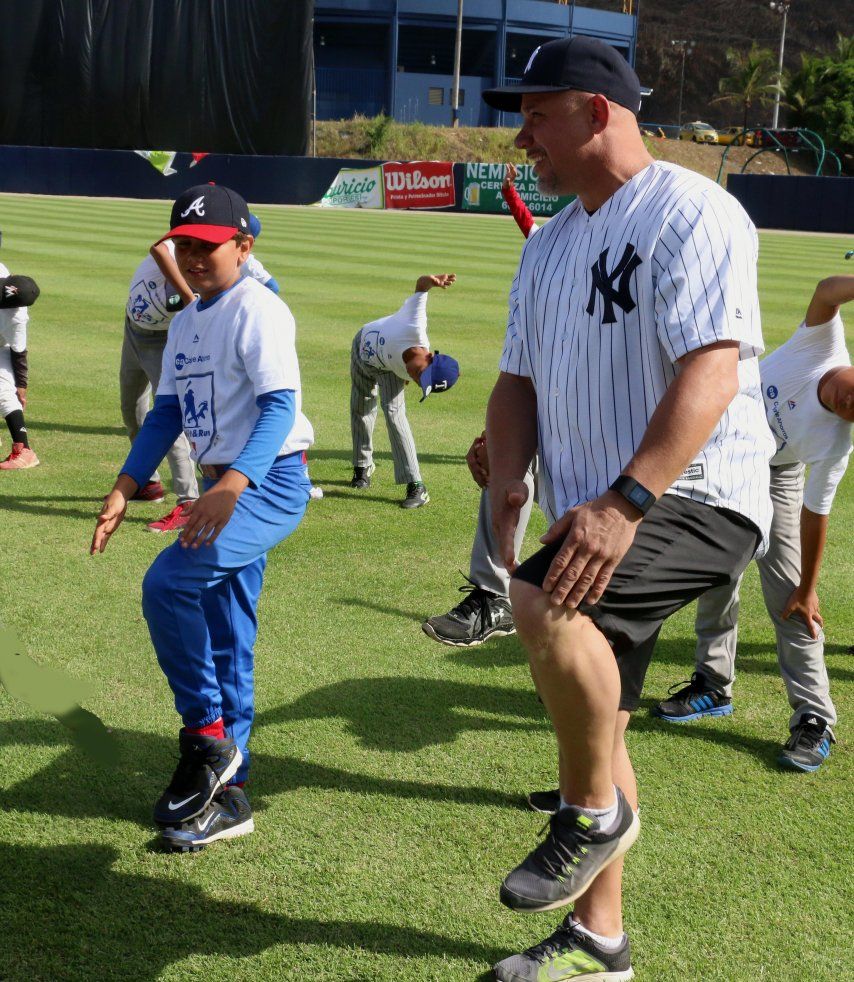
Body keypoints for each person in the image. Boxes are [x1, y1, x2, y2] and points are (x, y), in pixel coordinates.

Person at [478, 36, 775, 981]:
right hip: (596, 508)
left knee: (545, 604)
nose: (522, 136)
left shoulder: (696, 212)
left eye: (536, 114)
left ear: (597, 111)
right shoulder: (553, 243)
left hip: (692, 496)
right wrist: (509, 472)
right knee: (600, 714)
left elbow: (714, 369)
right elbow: (517, 379)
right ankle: (599, 944)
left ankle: (592, 813)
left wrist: (626, 501)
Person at [92, 184, 314, 852]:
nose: (192, 258)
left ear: (244, 246)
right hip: (228, 485)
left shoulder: (260, 310)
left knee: (169, 584)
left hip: (268, 482)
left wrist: (233, 483)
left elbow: (280, 407)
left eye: (207, 247)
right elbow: (166, 415)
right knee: (227, 632)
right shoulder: (187, 318)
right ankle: (232, 794)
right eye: (183, 246)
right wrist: (126, 486)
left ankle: (207, 741)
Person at [652, 274, 854, 772]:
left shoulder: (838, 443)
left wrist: (808, 588)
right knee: (715, 571)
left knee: (789, 601)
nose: (850, 409)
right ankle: (712, 684)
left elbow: (816, 512)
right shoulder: (823, 344)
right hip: (725, 456)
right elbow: (827, 289)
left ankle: (814, 719)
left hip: (777, 477)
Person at [422, 169, 538, 646]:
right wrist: (498, 436)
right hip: (547, 391)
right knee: (507, 469)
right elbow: (526, 219)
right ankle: (495, 597)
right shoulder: (547, 245)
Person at [122, 211, 279, 532]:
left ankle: (187, 500)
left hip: (165, 340)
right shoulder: (186, 246)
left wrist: (205, 304)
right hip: (134, 329)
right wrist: (190, 296)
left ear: (243, 244)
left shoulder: (240, 267)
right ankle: (146, 482)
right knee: (132, 409)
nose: (196, 252)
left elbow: (272, 289)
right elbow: (159, 248)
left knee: (174, 415)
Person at [349, 274, 460, 509]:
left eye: (423, 383)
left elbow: (410, 373)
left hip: (387, 372)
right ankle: (362, 466)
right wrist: (432, 281)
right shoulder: (415, 326)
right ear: (429, 356)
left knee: (395, 416)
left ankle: (416, 486)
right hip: (361, 348)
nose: (416, 378)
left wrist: (411, 376)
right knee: (360, 408)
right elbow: (421, 287)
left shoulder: (407, 372)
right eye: (421, 374)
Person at [0, 270, 41, 470]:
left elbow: (19, 354)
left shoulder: (16, 319)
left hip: (1, 346)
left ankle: (24, 451)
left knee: (5, 392)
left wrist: (21, 387)